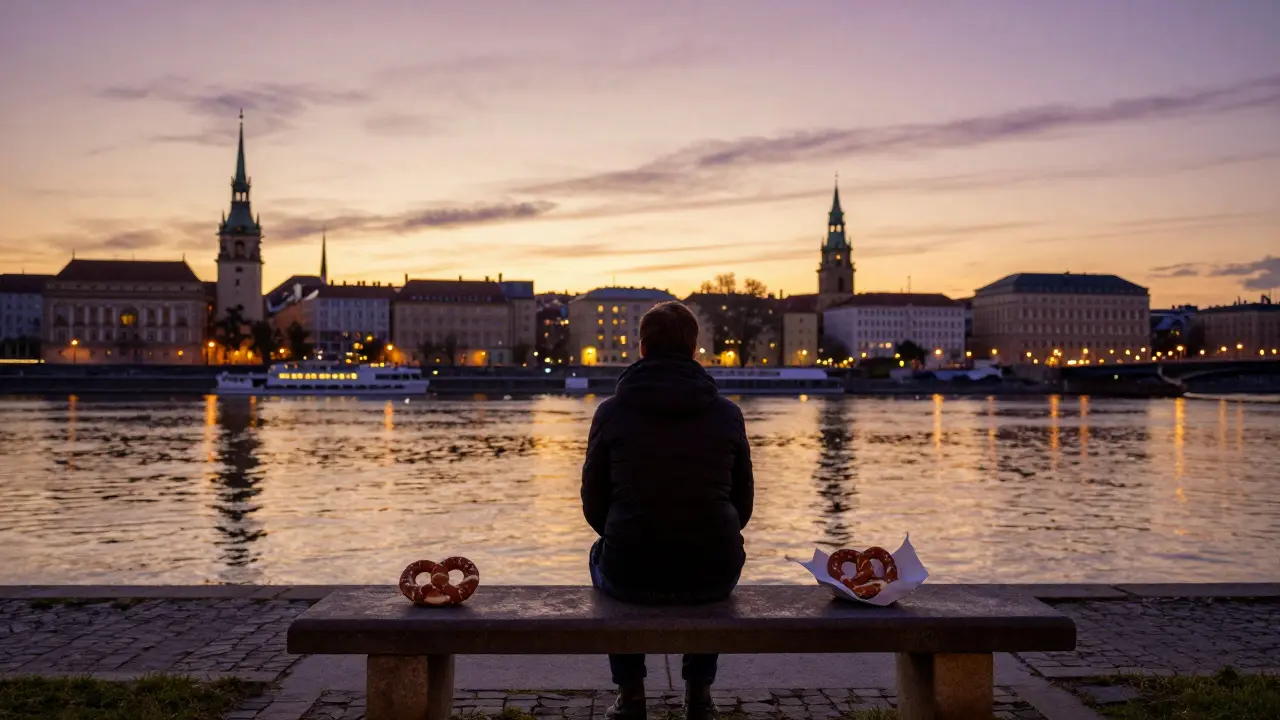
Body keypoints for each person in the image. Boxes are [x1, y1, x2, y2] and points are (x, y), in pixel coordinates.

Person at [581, 301, 754, 720]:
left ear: (641, 348)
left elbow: (593, 505)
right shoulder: (728, 414)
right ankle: (699, 694)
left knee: (603, 551)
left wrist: (626, 528)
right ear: (696, 350)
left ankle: (631, 694)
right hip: (713, 573)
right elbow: (742, 507)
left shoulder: (611, 412)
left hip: (630, 572)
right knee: (713, 540)